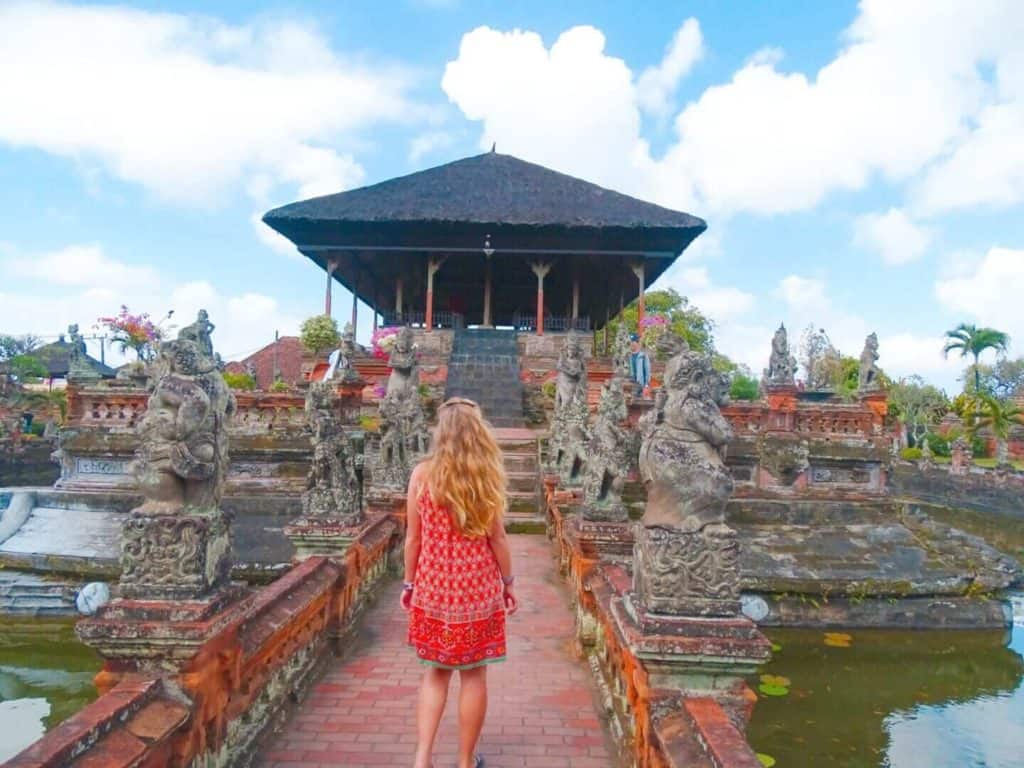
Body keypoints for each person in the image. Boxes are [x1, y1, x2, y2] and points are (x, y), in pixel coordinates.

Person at [402, 397, 519, 768]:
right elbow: (497, 538)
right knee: (472, 674)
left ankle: (422, 758)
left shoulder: (422, 475)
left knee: (436, 673)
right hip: (477, 589)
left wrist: (408, 584)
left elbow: (413, 539)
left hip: (434, 587)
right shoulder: (484, 475)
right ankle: (466, 761)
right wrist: (508, 581)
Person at [628, 333, 651, 397]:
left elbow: (647, 371)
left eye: (633, 342)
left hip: (640, 385)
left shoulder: (643, 356)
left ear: (637, 343)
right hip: (630, 385)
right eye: (630, 342)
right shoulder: (628, 356)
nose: (631, 344)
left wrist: (646, 385)